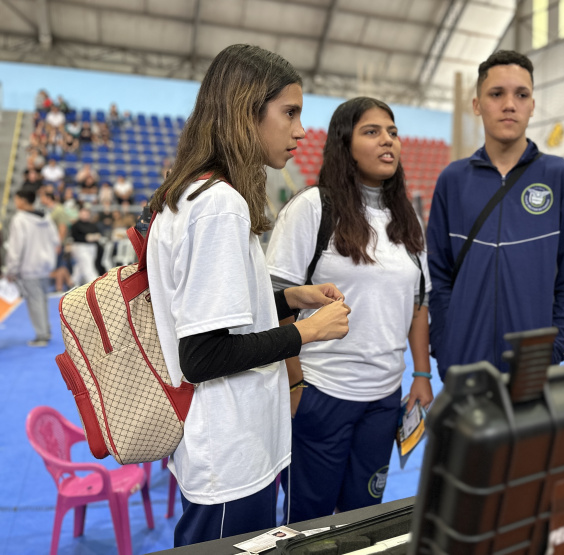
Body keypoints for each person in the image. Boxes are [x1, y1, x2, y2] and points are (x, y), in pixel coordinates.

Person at [146, 44, 350, 548]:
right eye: (290, 113)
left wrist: (288, 300)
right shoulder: (220, 206)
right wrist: (305, 333)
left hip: (226, 445)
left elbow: (218, 315)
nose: (301, 131)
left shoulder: (195, 192)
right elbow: (204, 354)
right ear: (246, 111)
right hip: (230, 453)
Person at [266, 97, 434, 523]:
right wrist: (293, 385)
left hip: (382, 401)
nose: (388, 141)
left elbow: (417, 304)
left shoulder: (407, 220)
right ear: (345, 143)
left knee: (363, 521)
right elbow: (277, 298)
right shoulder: (312, 208)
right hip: (322, 394)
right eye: (372, 131)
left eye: (393, 132)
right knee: (310, 524)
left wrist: (419, 374)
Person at [426, 50, 564, 377]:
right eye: (496, 94)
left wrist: (554, 345)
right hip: (462, 357)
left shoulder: (560, 177)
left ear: (532, 105)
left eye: (521, 94)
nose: (509, 104)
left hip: (531, 362)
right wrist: (444, 341)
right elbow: (437, 274)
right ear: (477, 105)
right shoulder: (452, 180)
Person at [4, 190, 60, 347]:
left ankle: (42, 335)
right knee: (42, 299)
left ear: (22, 200)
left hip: (29, 266)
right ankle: (46, 330)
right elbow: (55, 240)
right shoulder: (46, 216)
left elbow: (16, 247)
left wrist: (11, 269)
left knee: (35, 301)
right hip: (46, 264)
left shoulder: (19, 219)